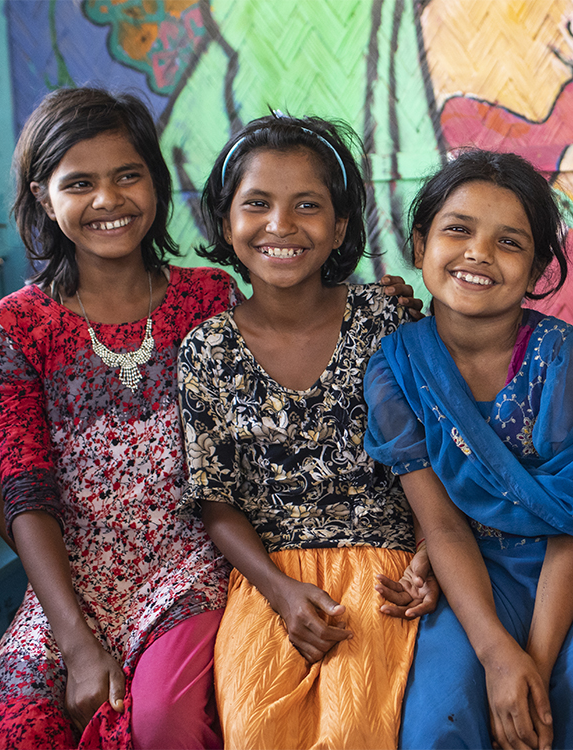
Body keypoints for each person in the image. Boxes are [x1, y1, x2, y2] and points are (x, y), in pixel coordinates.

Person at [363, 149, 573, 750]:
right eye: (457, 230)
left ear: (538, 269)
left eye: (509, 242)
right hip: (472, 572)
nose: (478, 253)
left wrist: (536, 669)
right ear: (420, 246)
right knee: (434, 727)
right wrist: (498, 654)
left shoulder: (566, 356)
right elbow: (442, 528)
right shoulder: (396, 369)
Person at [0, 87, 238, 750]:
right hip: (69, 584)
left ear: (154, 181)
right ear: (44, 197)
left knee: (164, 725)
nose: (109, 200)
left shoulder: (208, 300)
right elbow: (24, 490)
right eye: (81, 184)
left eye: (128, 175)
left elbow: (294, 335)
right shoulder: (19, 326)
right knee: (16, 727)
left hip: (192, 567)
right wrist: (73, 637)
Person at [178, 113, 434, 749]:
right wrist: (281, 591)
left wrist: (431, 556)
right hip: (268, 578)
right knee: (254, 726)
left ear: (340, 225)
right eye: (257, 203)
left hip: (385, 572)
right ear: (225, 219)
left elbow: (433, 452)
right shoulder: (207, 349)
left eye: (307, 206)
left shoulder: (386, 321)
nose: (281, 226)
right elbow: (216, 501)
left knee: (356, 728)